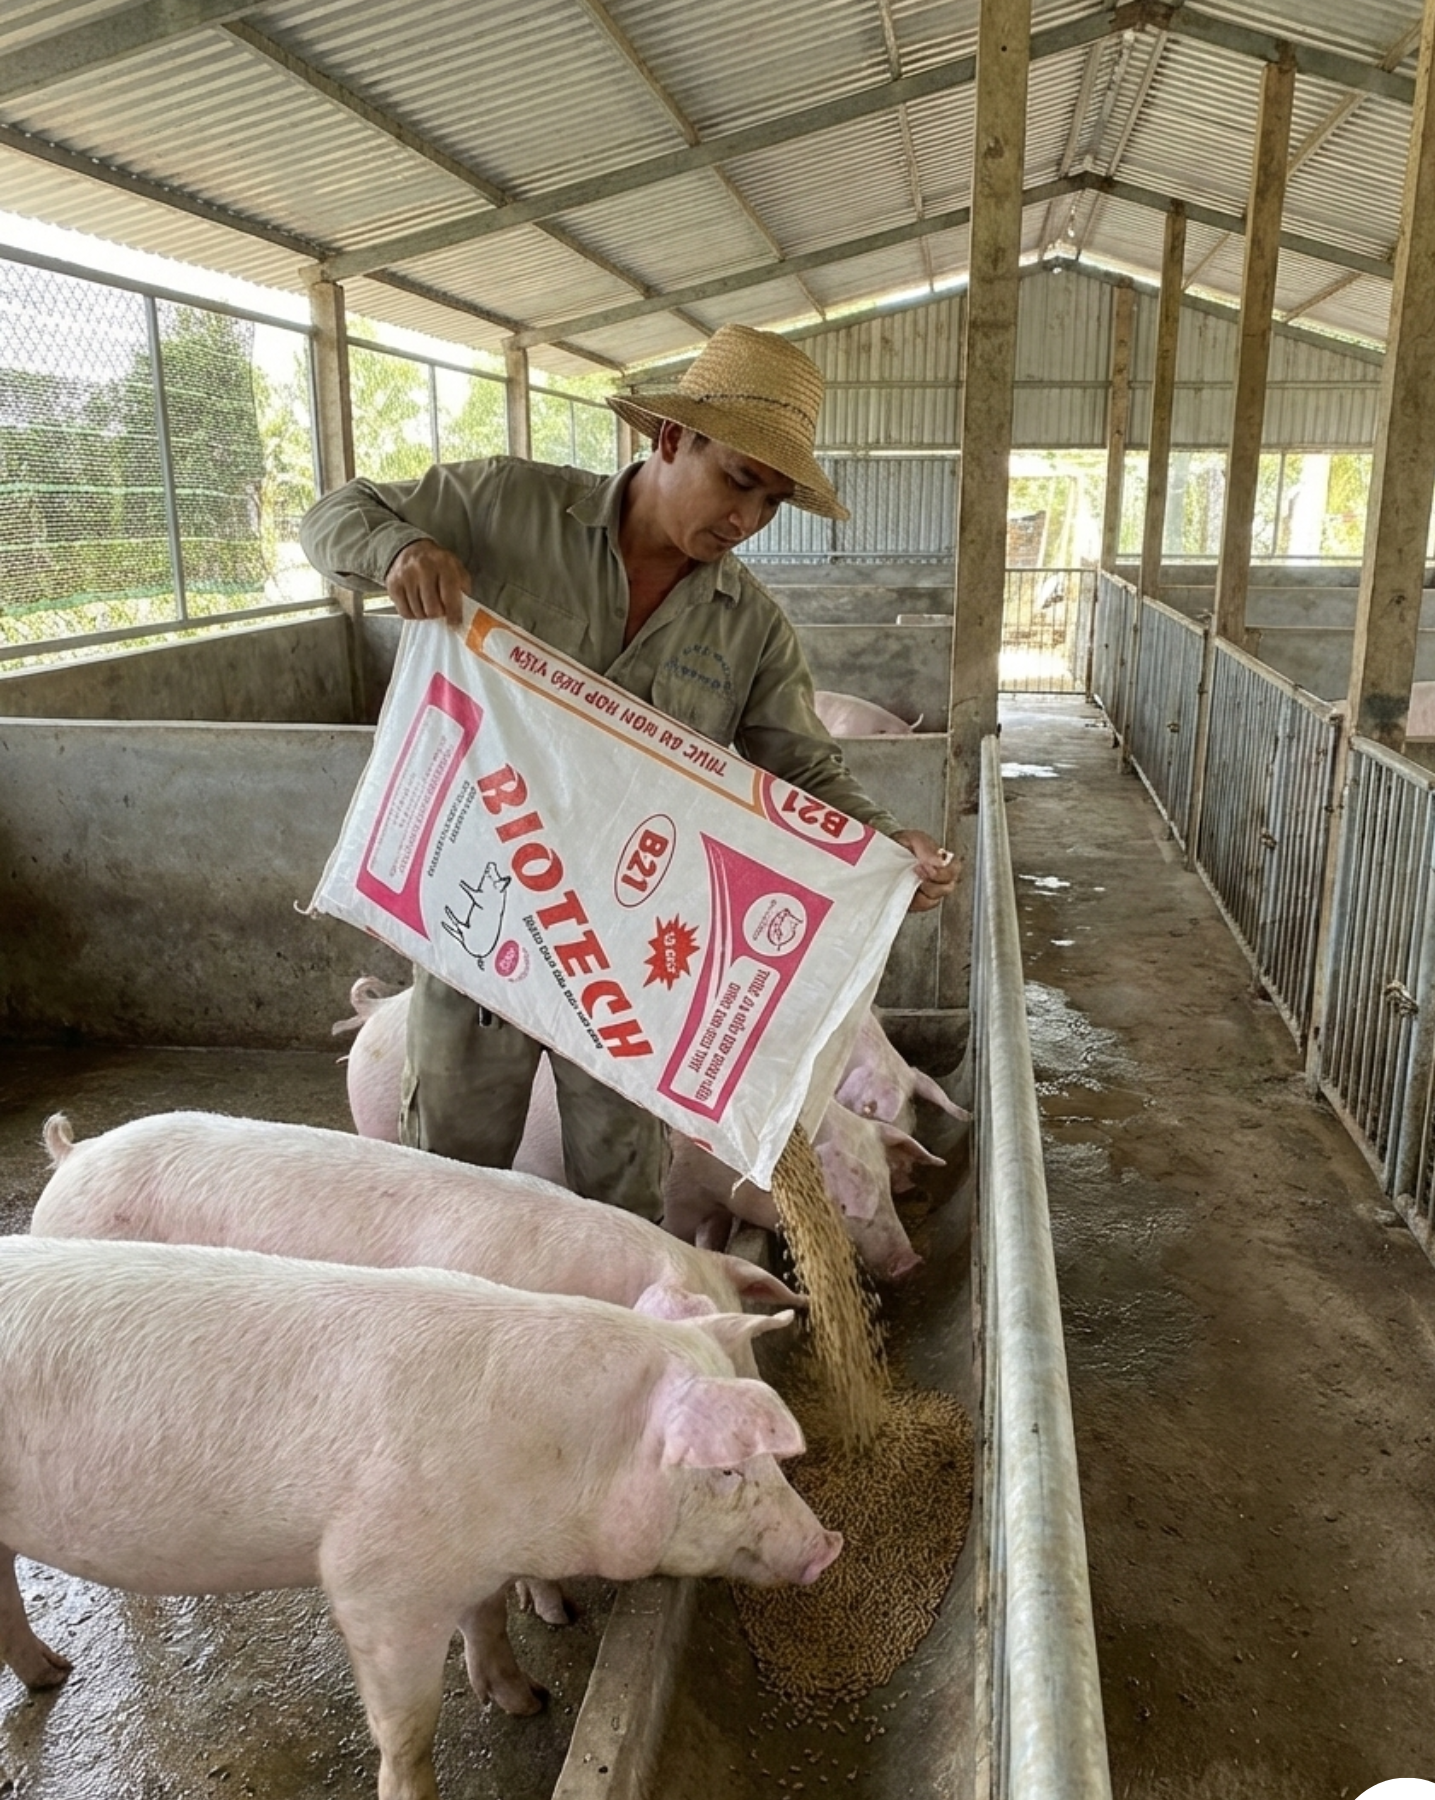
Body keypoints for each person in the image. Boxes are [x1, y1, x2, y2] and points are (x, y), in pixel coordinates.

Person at [300, 323, 959, 1220]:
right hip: (481, 912)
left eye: (770, 504)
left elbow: (800, 764)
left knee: (623, 1178)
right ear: (671, 438)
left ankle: (610, 1343)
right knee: (453, 1173)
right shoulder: (507, 507)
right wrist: (399, 553)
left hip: (628, 947)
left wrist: (886, 848)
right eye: (738, 481)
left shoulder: (747, 625)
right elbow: (337, 511)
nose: (746, 522)